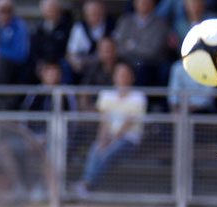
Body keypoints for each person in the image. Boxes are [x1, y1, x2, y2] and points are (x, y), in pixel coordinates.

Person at [76, 60, 148, 193]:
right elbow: (104, 122)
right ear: (114, 77)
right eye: (120, 74)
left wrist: (111, 141)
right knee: (95, 148)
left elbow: (128, 124)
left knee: (109, 152)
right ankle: (86, 183)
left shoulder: (139, 97)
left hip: (129, 140)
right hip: (109, 136)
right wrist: (102, 140)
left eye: (126, 75)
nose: (123, 78)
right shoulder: (106, 95)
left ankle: (87, 184)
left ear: (132, 77)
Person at [113, 0, 170, 86]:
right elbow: (120, 48)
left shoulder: (160, 24)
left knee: (142, 69)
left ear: (153, 4)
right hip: (127, 62)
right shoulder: (125, 21)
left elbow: (153, 52)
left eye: (147, 1)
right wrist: (142, 47)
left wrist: (132, 46)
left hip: (150, 65)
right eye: (141, 1)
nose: (144, 4)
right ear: (135, 3)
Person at [66, 0, 116, 83]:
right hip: (84, 63)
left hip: (104, 62)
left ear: (103, 12)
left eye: (98, 12)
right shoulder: (79, 27)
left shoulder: (111, 26)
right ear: (86, 15)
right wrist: (76, 62)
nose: (95, 15)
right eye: (92, 12)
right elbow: (71, 52)